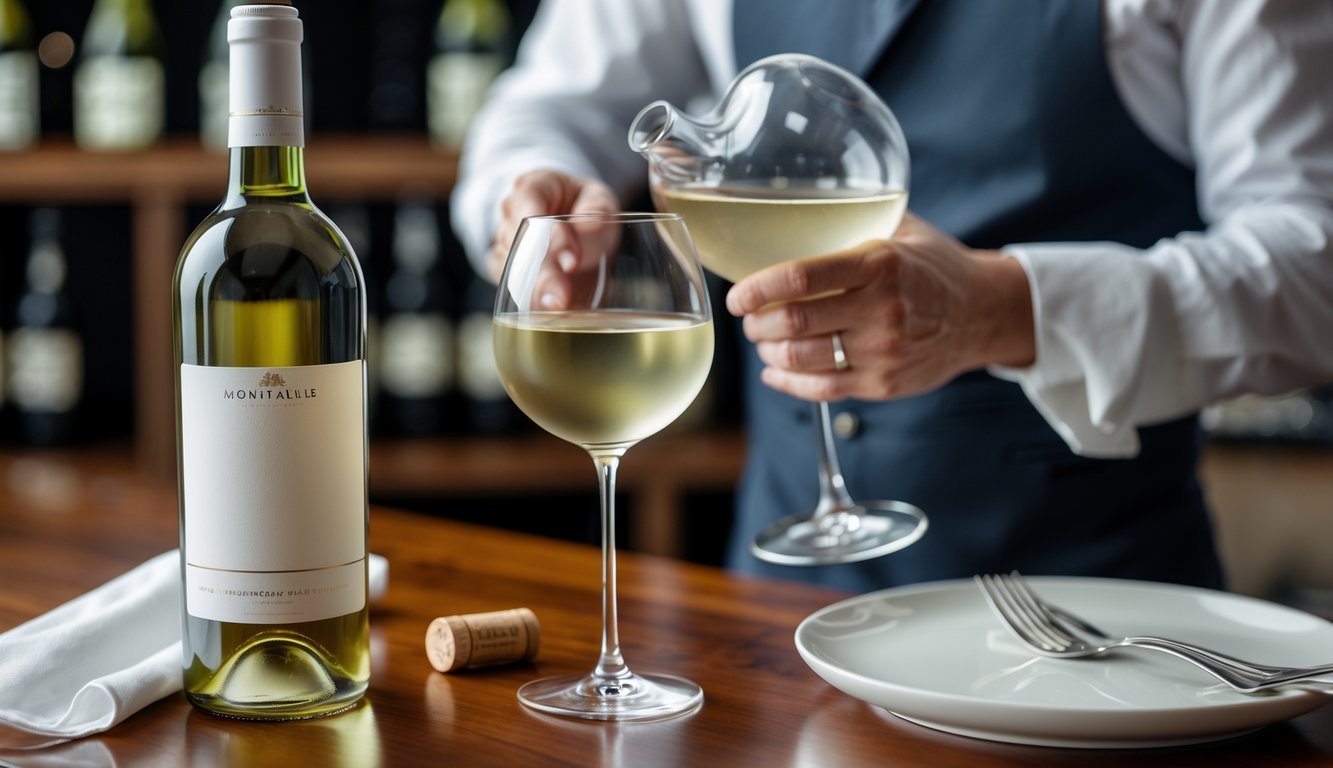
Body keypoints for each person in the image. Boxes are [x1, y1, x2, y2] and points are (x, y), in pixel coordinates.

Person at [451, 0, 1333, 594]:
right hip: (773, 615)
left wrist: (1006, 309)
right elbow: (541, 109)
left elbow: (1313, 260)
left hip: (1094, 623)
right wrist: (529, 192)